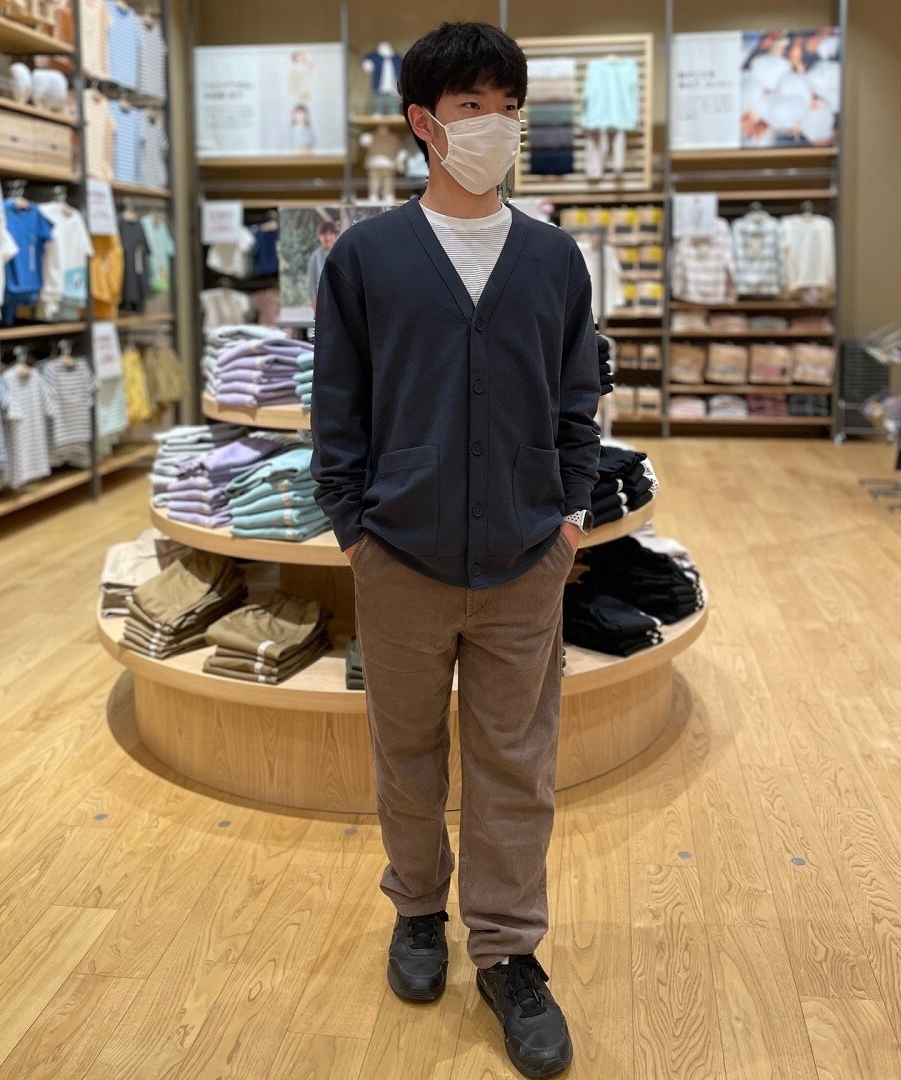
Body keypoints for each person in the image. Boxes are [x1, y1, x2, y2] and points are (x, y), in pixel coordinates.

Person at [310, 21, 599, 1080]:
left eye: (507, 105)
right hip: (400, 556)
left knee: (517, 763)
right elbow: (337, 406)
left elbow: (577, 395)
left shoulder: (555, 258)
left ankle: (510, 953)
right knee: (406, 751)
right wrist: (354, 528)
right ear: (424, 123)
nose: (496, 125)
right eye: (473, 105)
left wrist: (570, 514)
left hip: (525, 557)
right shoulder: (367, 258)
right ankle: (418, 910)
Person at [306, 218, 338, 310]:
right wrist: (312, 299)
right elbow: (311, 281)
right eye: (324, 234)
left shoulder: (341, 253)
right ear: (319, 236)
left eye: (330, 234)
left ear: (335, 235)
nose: (327, 237)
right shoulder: (315, 256)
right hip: (322, 299)